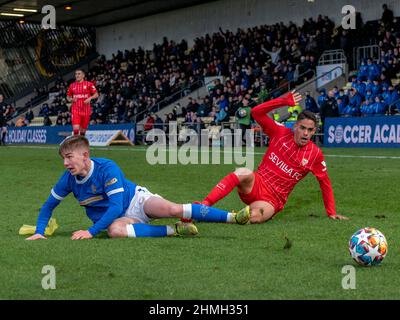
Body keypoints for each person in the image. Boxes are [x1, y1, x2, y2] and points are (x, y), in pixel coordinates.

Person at [26, 136, 249, 241]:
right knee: (115, 232)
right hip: (118, 219)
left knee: (173, 209)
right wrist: (39, 231)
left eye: (68, 157)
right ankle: (174, 231)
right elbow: (48, 207)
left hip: (136, 201)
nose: (65, 163)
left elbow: (114, 206)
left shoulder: (107, 168)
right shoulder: (68, 179)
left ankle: (233, 217)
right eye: (63, 159)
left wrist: (90, 232)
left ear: (85, 155)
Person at [197, 91, 348, 224]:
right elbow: (256, 112)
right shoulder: (280, 132)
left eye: (310, 130)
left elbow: (325, 183)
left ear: (314, 131)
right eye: (302, 128)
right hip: (256, 184)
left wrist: (331, 212)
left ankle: (224, 216)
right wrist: (283, 101)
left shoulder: (315, 154)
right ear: (295, 126)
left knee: (255, 216)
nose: (306, 133)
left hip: (272, 200)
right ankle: (204, 206)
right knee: (242, 171)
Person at [67, 69, 99, 136]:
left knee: (82, 132)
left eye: (79, 74)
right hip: (75, 110)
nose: (77, 75)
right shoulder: (72, 86)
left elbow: (96, 94)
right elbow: (68, 97)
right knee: (76, 130)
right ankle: (76, 145)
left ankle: (81, 144)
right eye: (76, 74)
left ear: (83, 75)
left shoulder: (89, 84)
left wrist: (90, 98)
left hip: (86, 111)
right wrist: (71, 99)